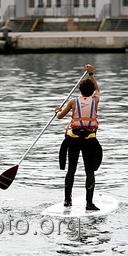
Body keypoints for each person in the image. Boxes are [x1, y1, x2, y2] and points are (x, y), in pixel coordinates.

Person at [54, 64, 102, 211]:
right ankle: (89, 203)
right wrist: (91, 73)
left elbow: (59, 117)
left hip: (74, 139)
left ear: (80, 90)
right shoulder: (95, 100)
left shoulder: (73, 102)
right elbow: (98, 90)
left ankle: (67, 201)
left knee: (71, 170)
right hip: (89, 140)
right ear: (92, 90)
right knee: (89, 171)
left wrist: (58, 111)